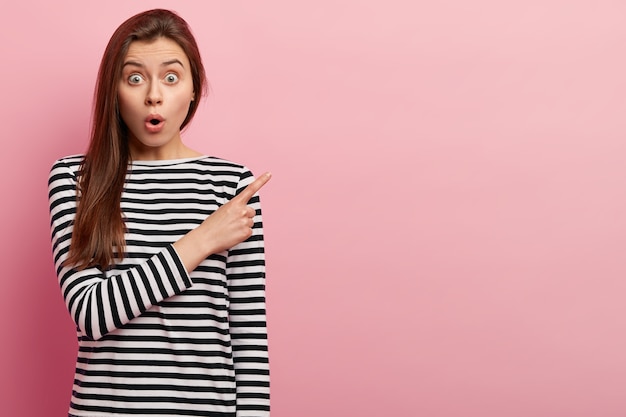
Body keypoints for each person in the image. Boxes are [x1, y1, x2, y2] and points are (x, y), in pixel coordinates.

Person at [48, 9, 271, 417]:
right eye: (135, 78)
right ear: (114, 91)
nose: (154, 95)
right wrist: (201, 240)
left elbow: (249, 339)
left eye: (171, 77)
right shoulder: (75, 179)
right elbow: (90, 313)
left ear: (193, 89)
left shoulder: (232, 185)